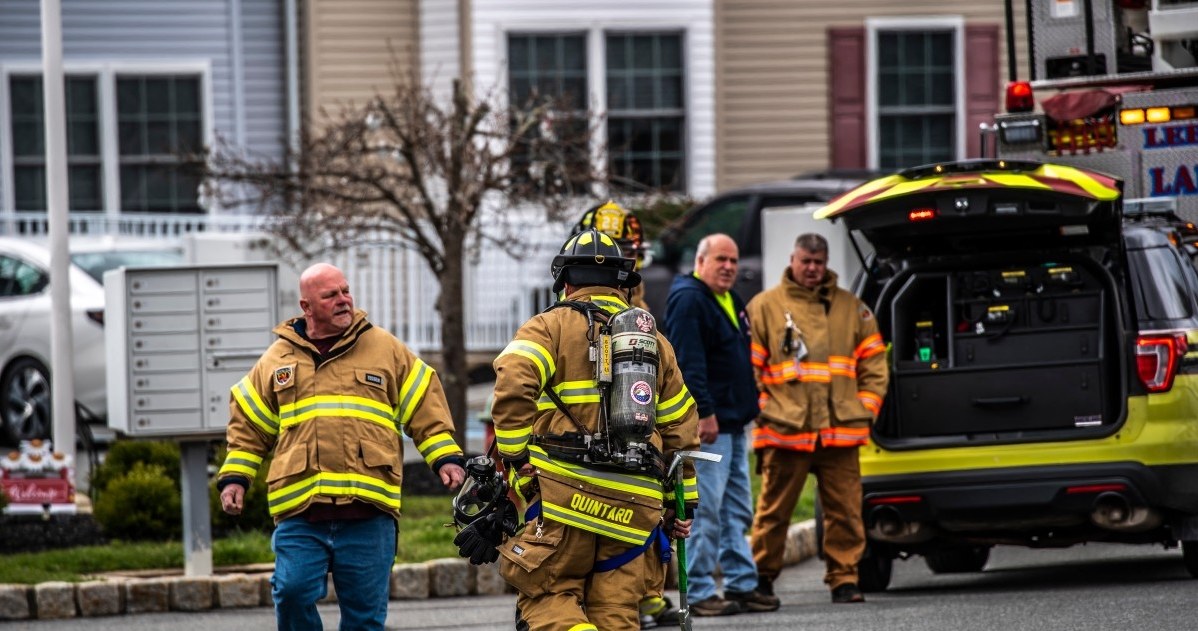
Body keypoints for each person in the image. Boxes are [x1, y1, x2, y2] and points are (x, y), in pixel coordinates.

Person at [216, 262, 467, 630]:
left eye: (345, 291)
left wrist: (444, 456)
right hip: (301, 513)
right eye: (330, 295)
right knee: (291, 592)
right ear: (307, 307)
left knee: (364, 620)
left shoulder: (385, 348)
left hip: (369, 513)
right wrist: (236, 477)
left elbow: (423, 406)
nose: (343, 300)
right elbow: (250, 426)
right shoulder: (277, 360)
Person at [492, 228, 701, 630]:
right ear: (621, 284)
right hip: (635, 502)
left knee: (549, 597)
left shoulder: (545, 328)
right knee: (618, 615)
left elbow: (513, 384)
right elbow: (681, 428)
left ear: (565, 281)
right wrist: (682, 503)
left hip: (563, 495)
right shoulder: (655, 342)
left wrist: (517, 458)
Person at [745, 232, 888, 604]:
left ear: (827, 264)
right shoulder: (764, 307)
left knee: (845, 512)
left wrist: (866, 409)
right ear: (792, 260)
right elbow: (750, 370)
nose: (812, 269)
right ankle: (762, 578)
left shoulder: (851, 308)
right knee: (774, 513)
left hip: (840, 431)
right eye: (805, 261)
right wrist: (765, 410)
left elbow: (875, 363)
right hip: (784, 430)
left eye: (818, 262)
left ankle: (845, 580)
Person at [663, 233, 780, 616]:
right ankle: (697, 590)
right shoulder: (690, 299)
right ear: (701, 261)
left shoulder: (728, 298)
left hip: (732, 423)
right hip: (709, 426)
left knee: (735, 510)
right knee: (707, 509)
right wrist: (706, 412)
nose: (729, 267)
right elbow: (688, 365)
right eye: (721, 260)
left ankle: (741, 583)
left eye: (733, 260)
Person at [574, 200, 675, 628]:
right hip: (632, 464)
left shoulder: (550, 320)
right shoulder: (642, 321)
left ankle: (643, 600)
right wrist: (681, 498)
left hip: (572, 466)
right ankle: (639, 602)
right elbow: (677, 415)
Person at [573, 200, 650, 311]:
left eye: (626, 253)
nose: (616, 265)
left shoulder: (639, 306)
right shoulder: (570, 313)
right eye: (603, 253)